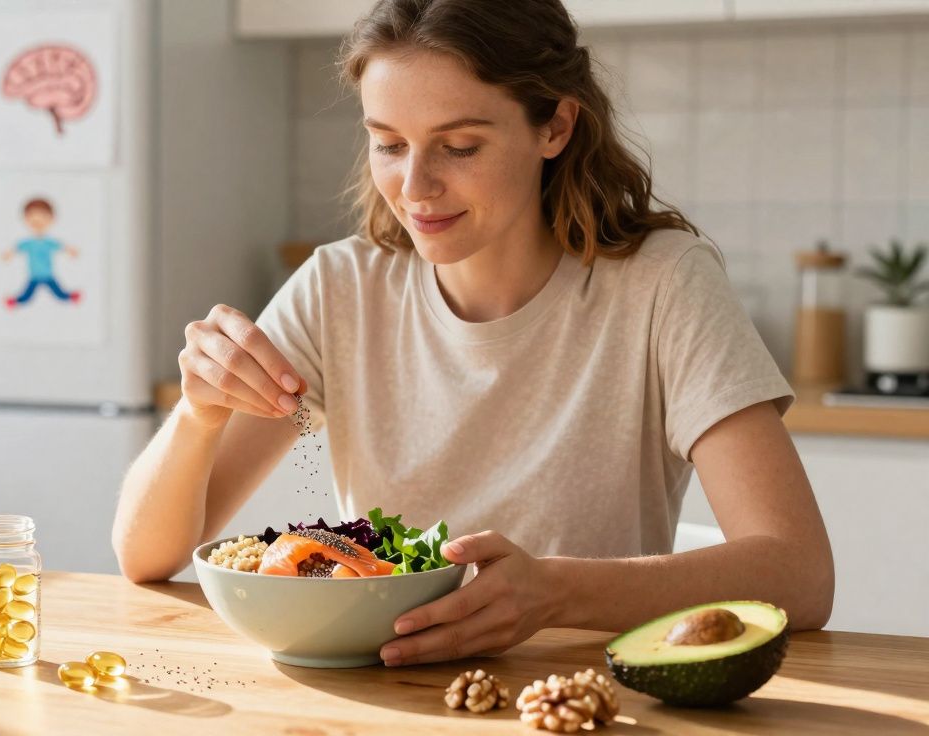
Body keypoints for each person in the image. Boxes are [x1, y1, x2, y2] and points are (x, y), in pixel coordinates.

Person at [113, 0, 833, 666]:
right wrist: (198, 417)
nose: (416, 187)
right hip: (387, 695)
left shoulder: (662, 283)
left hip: (587, 698)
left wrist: (556, 591)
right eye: (389, 144)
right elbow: (145, 555)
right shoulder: (340, 287)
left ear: (555, 126)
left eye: (458, 146)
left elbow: (799, 572)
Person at [3, 197, 82, 308]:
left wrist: (70, 251)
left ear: (51, 219)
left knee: (58, 292)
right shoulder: (28, 243)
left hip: (48, 274)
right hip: (34, 275)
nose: (38, 222)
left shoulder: (48, 242)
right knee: (27, 294)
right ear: (26, 219)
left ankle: (71, 296)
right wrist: (8, 254)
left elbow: (61, 247)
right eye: (33, 219)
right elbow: (17, 249)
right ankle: (15, 301)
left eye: (43, 218)